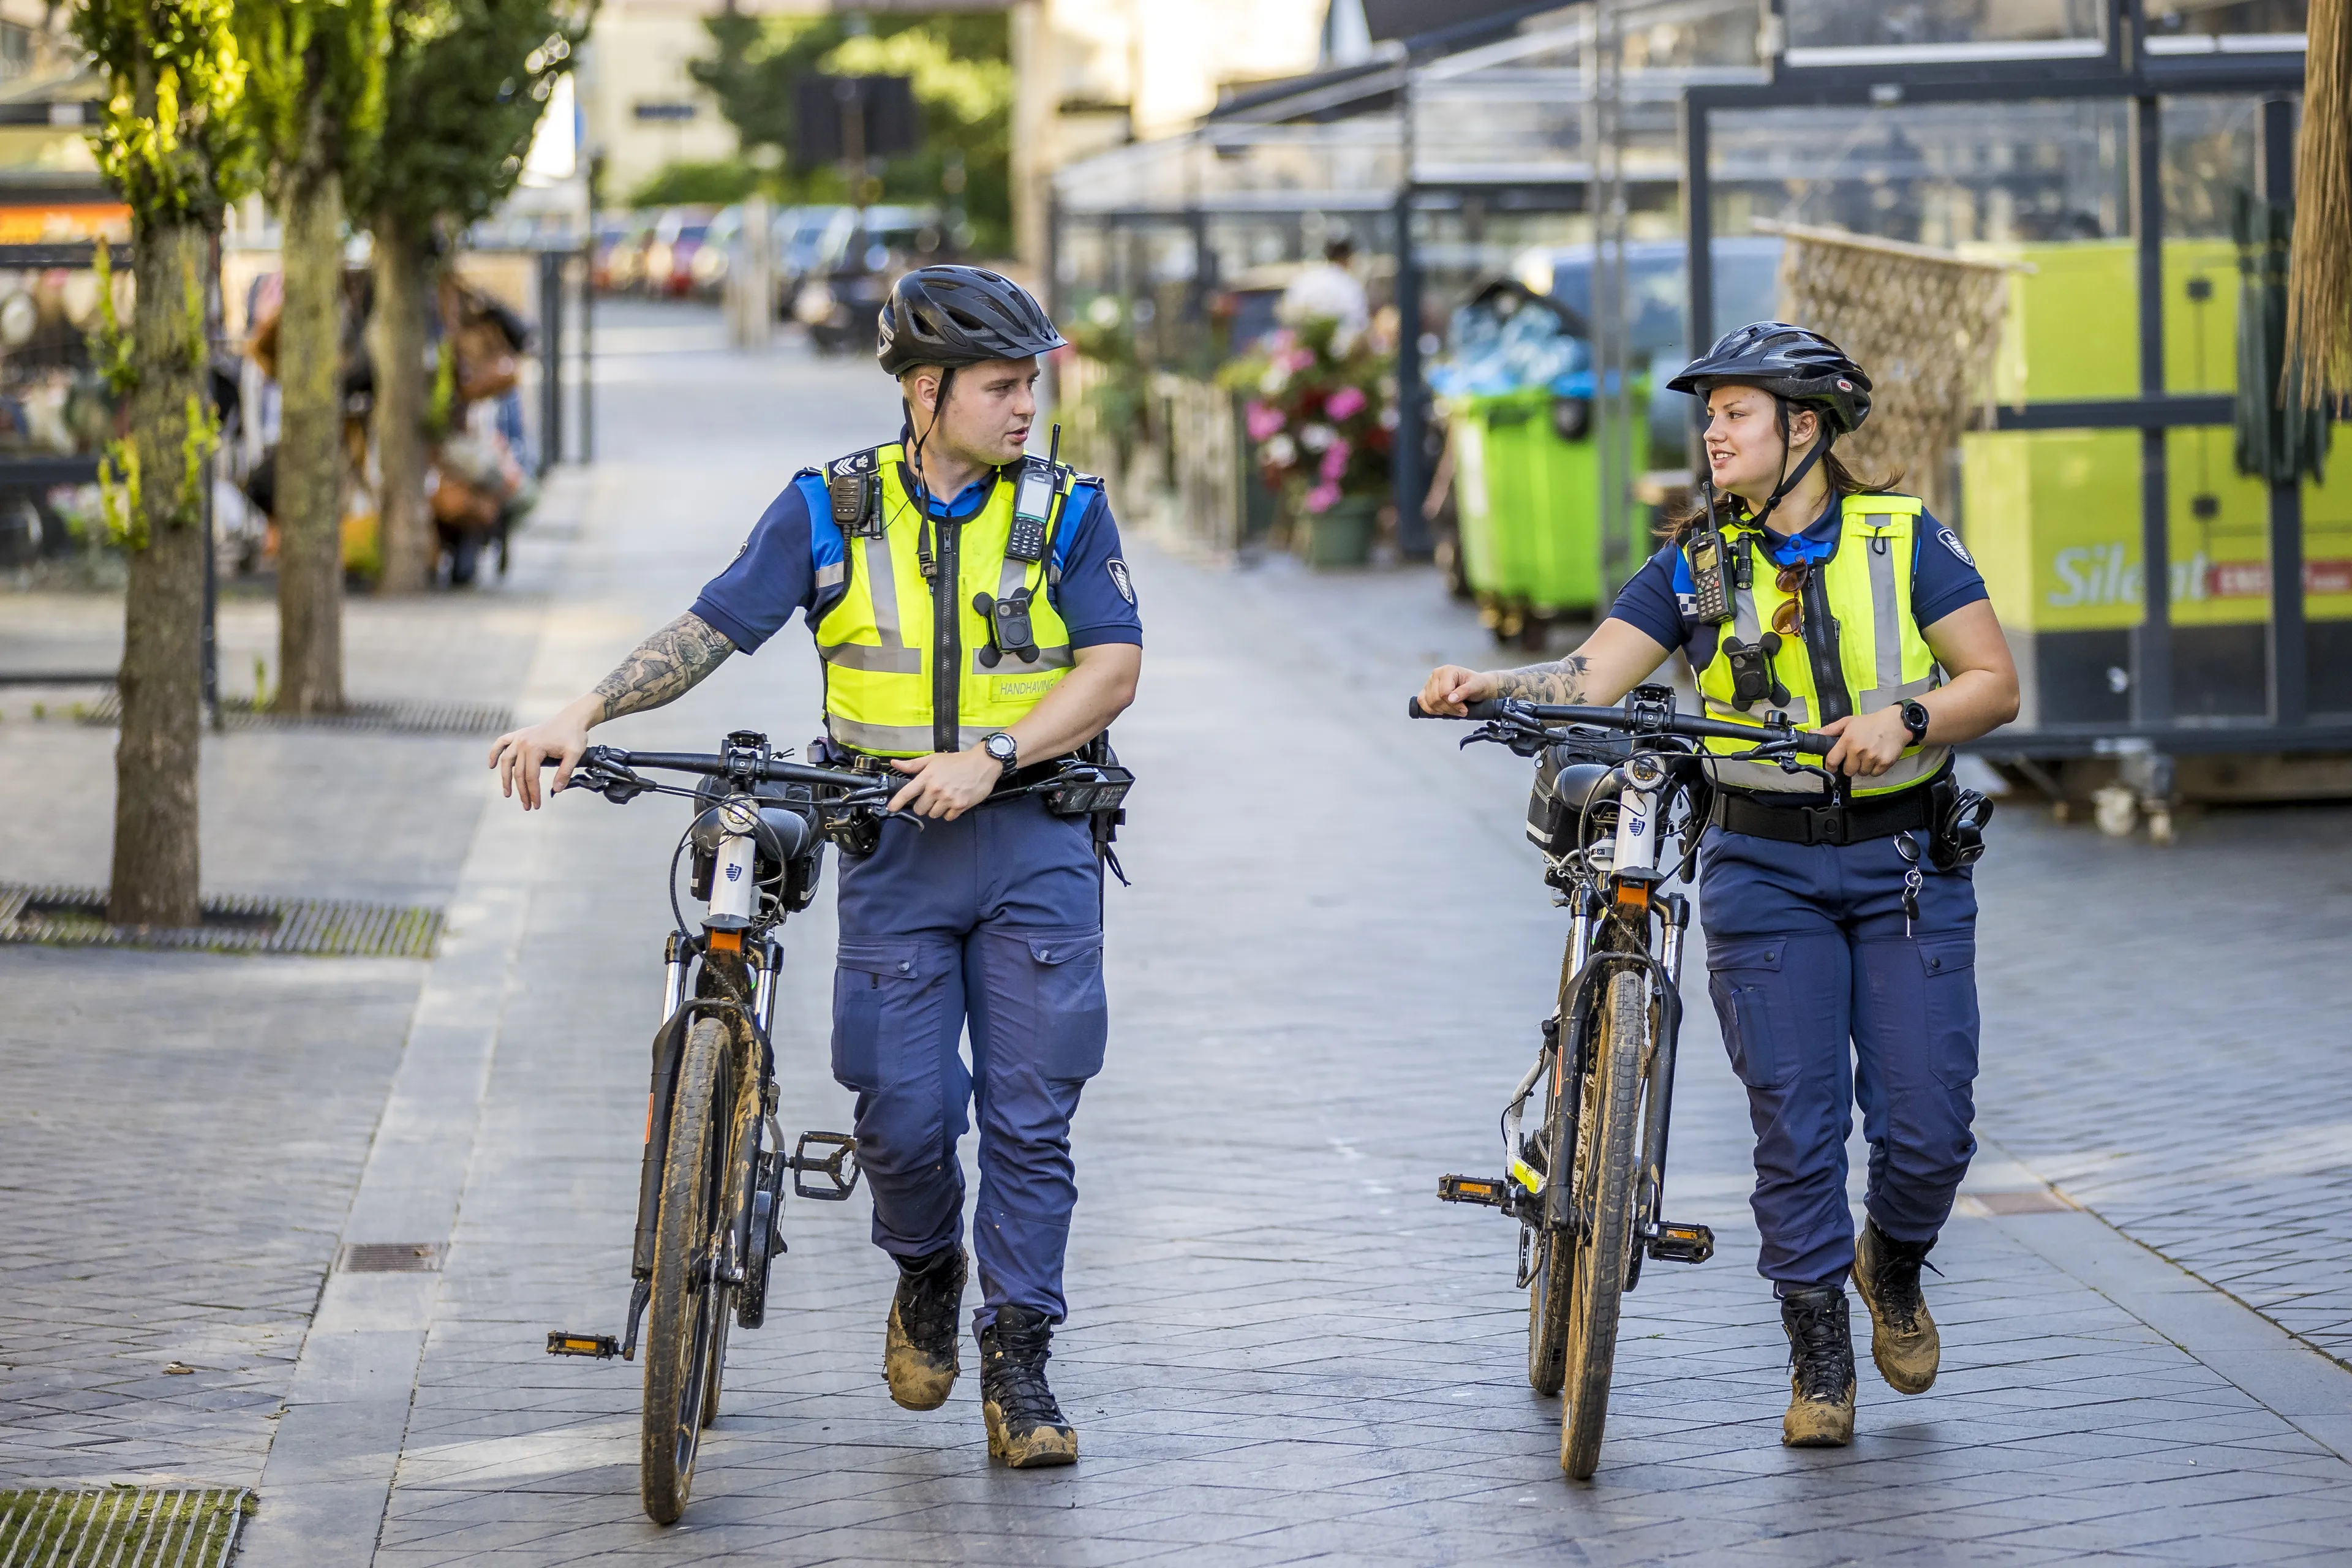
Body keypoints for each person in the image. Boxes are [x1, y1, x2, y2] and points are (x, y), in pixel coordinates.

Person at [488, 266, 1144, 1469]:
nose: (1026, 409)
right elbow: (712, 625)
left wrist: (993, 755)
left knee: (1031, 1113)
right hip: (891, 842)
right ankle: (930, 1269)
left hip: (1037, 837)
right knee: (901, 1114)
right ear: (926, 391)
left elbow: (1111, 668)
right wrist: (579, 709)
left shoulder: (1068, 511)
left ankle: (1018, 1353)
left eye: (1032, 385)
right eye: (1003, 386)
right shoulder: (828, 506)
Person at [1417, 322, 2019, 1449]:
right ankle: (1818, 1356)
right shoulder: (1695, 564)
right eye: (1709, 415)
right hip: (1763, 865)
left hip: (1905, 865)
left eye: (1734, 413)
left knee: (1930, 1127)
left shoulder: (1905, 538)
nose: (1711, 432)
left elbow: (1994, 681)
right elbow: (1590, 670)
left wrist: (1910, 717)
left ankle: (1889, 1265)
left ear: (1806, 429)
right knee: (1795, 1127)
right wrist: (1486, 681)